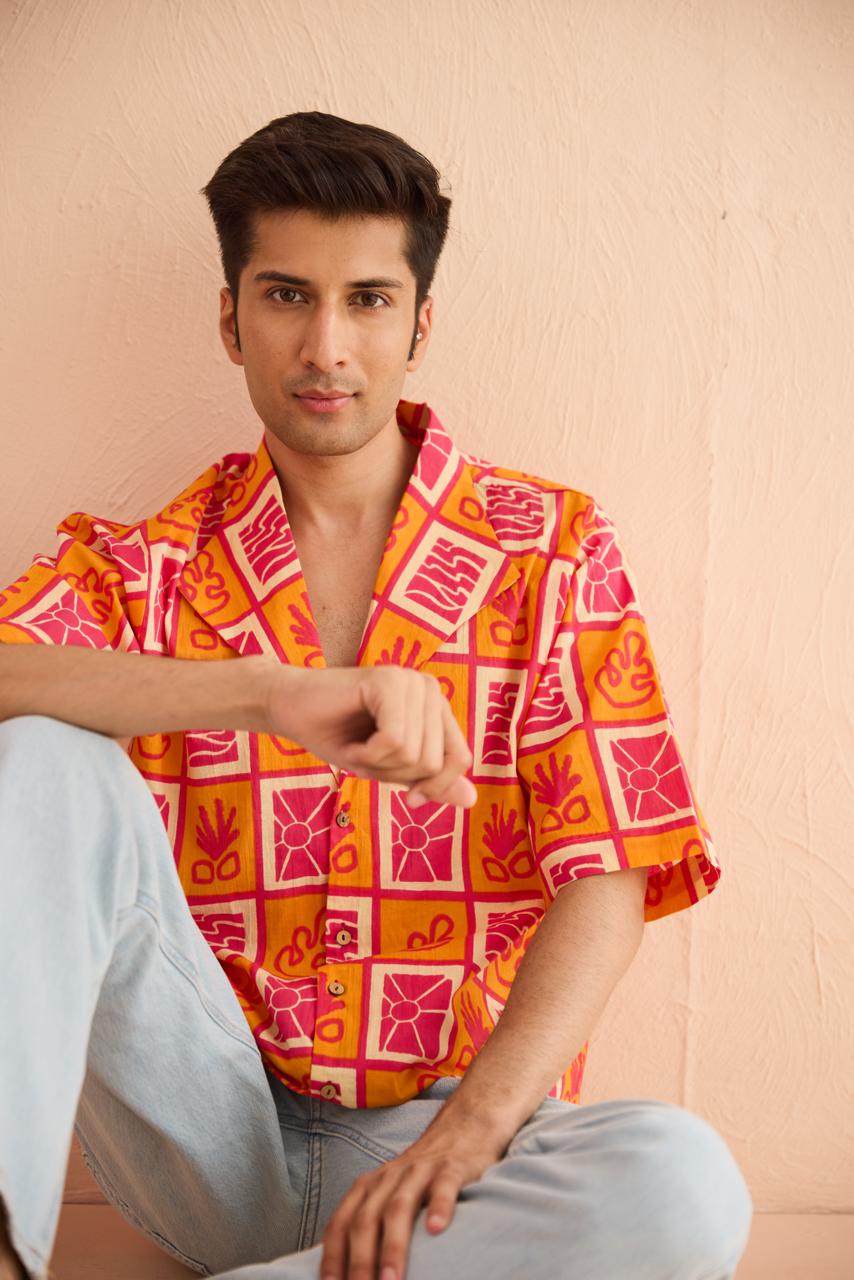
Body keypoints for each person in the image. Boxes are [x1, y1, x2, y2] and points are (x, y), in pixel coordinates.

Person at [0, 111, 753, 1280]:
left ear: (418, 323)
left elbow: (611, 869)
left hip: (446, 1168)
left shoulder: (549, 550)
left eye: (365, 300)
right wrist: (263, 693)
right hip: (210, 1132)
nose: (325, 346)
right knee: (42, 757)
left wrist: (468, 1132)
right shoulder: (144, 567)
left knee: (683, 1180)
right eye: (286, 295)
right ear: (230, 317)